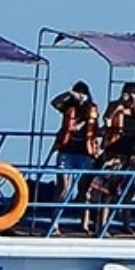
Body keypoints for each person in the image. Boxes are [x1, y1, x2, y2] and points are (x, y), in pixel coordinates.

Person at [97, 80, 135, 220]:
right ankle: (103, 223)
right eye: (128, 93)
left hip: (133, 153)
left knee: (130, 189)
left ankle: (126, 223)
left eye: (134, 94)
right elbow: (107, 118)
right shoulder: (115, 106)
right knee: (108, 190)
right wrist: (120, 102)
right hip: (115, 152)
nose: (131, 97)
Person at [50, 81, 101, 227]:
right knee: (63, 187)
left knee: (85, 189)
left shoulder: (92, 108)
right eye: (78, 93)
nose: (80, 96)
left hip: (85, 153)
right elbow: (54, 103)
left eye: (83, 93)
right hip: (67, 151)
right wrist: (69, 94)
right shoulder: (68, 106)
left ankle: (84, 223)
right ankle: (55, 223)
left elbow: (93, 121)